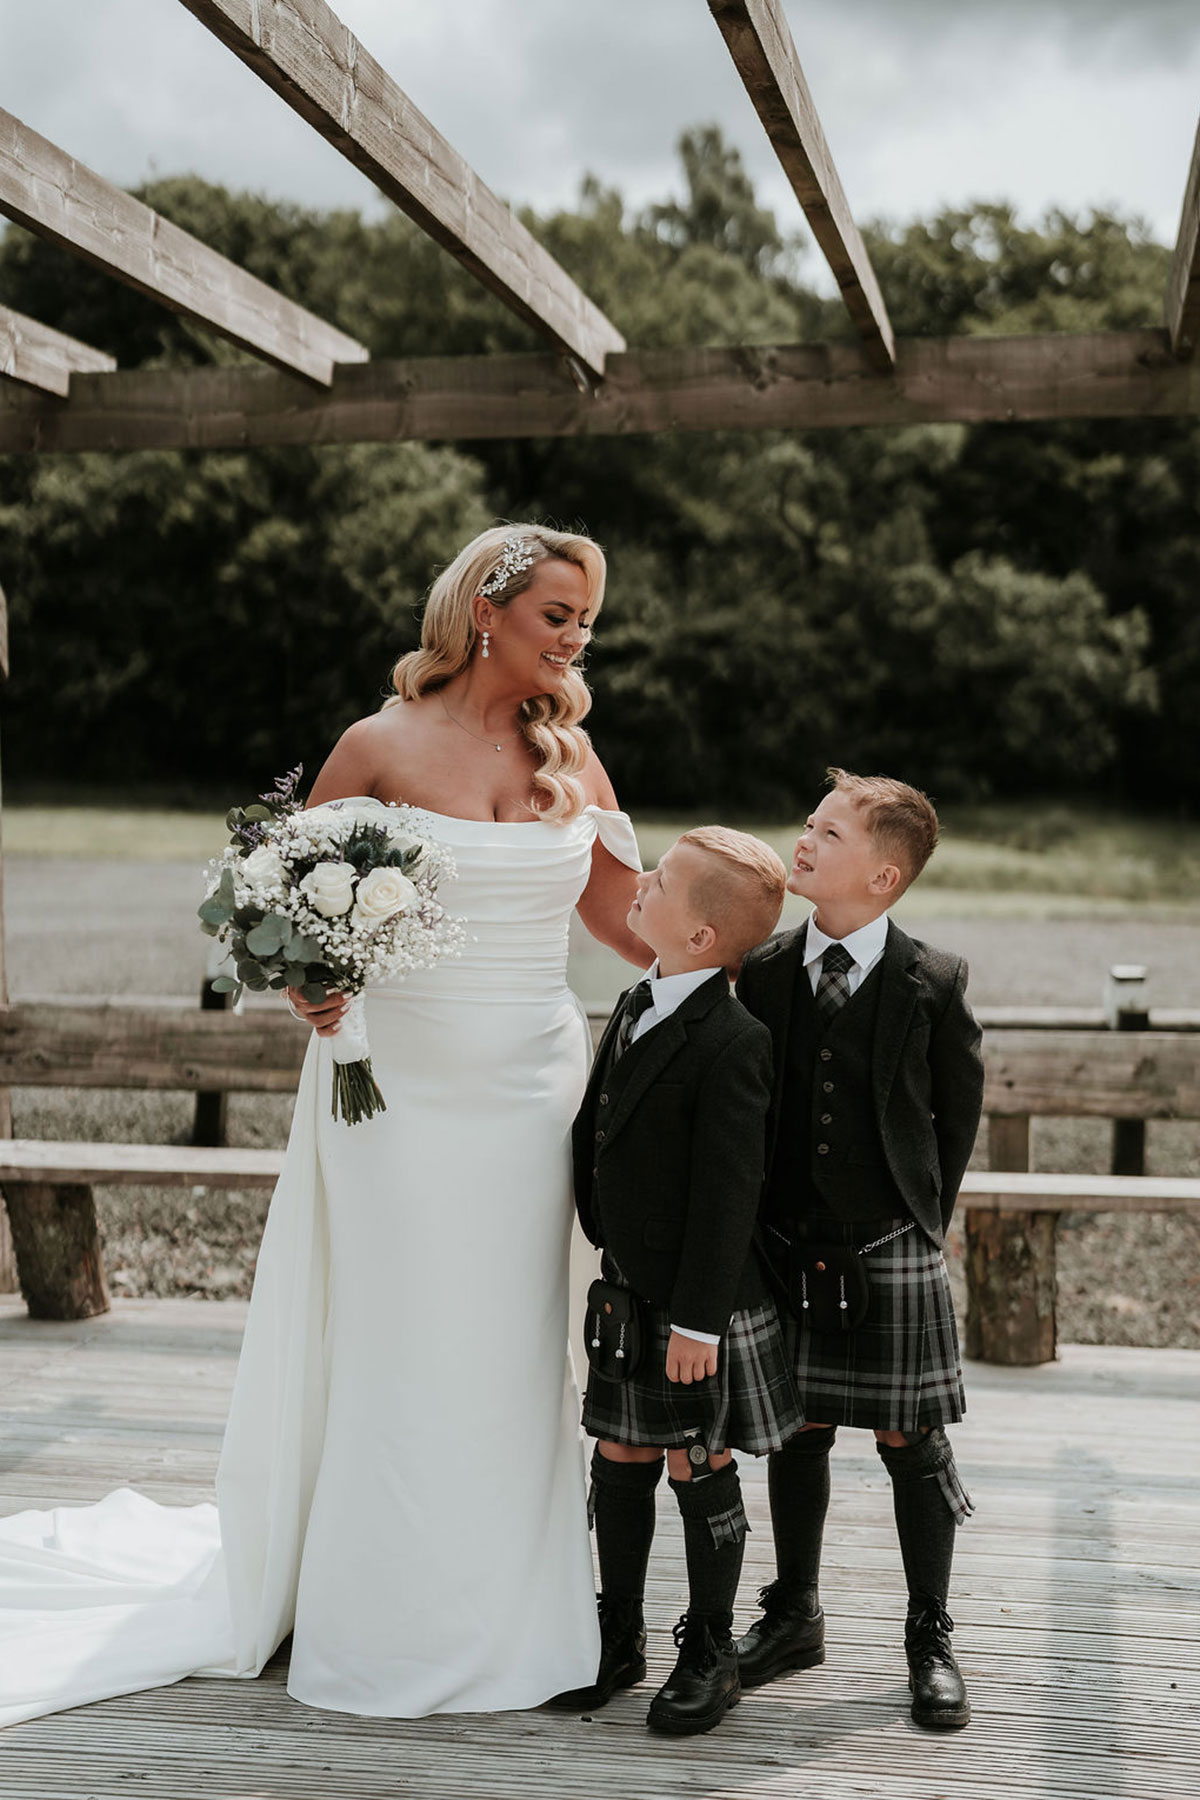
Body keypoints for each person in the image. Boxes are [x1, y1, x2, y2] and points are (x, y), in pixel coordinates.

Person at [0, 523, 648, 1727]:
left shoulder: (575, 756)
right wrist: (306, 976)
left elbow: (629, 928)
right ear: (489, 612)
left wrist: (774, 929)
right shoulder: (379, 743)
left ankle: (522, 1613)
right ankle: (388, 1613)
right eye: (560, 614)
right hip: (393, 1094)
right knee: (407, 1339)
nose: (578, 638)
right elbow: (276, 901)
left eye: (586, 621)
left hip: (533, 1097)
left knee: (516, 1345)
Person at [733, 770, 984, 1730]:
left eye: (826, 832)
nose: (802, 839)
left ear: (882, 876)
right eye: (807, 822)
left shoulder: (936, 980)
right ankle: (795, 1613)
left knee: (911, 1442)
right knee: (795, 1431)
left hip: (890, 1241)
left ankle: (930, 1634)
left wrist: (921, 1220)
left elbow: (955, 1117)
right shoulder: (760, 971)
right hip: (786, 1242)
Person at [550, 828, 804, 1737]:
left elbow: (729, 1194)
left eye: (657, 882)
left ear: (700, 938)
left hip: (701, 1306)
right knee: (618, 1454)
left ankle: (711, 1651)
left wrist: (699, 1322)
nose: (641, 884)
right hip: (629, 1283)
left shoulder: (733, 1041)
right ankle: (618, 1638)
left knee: (697, 1460)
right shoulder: (634, 1000)